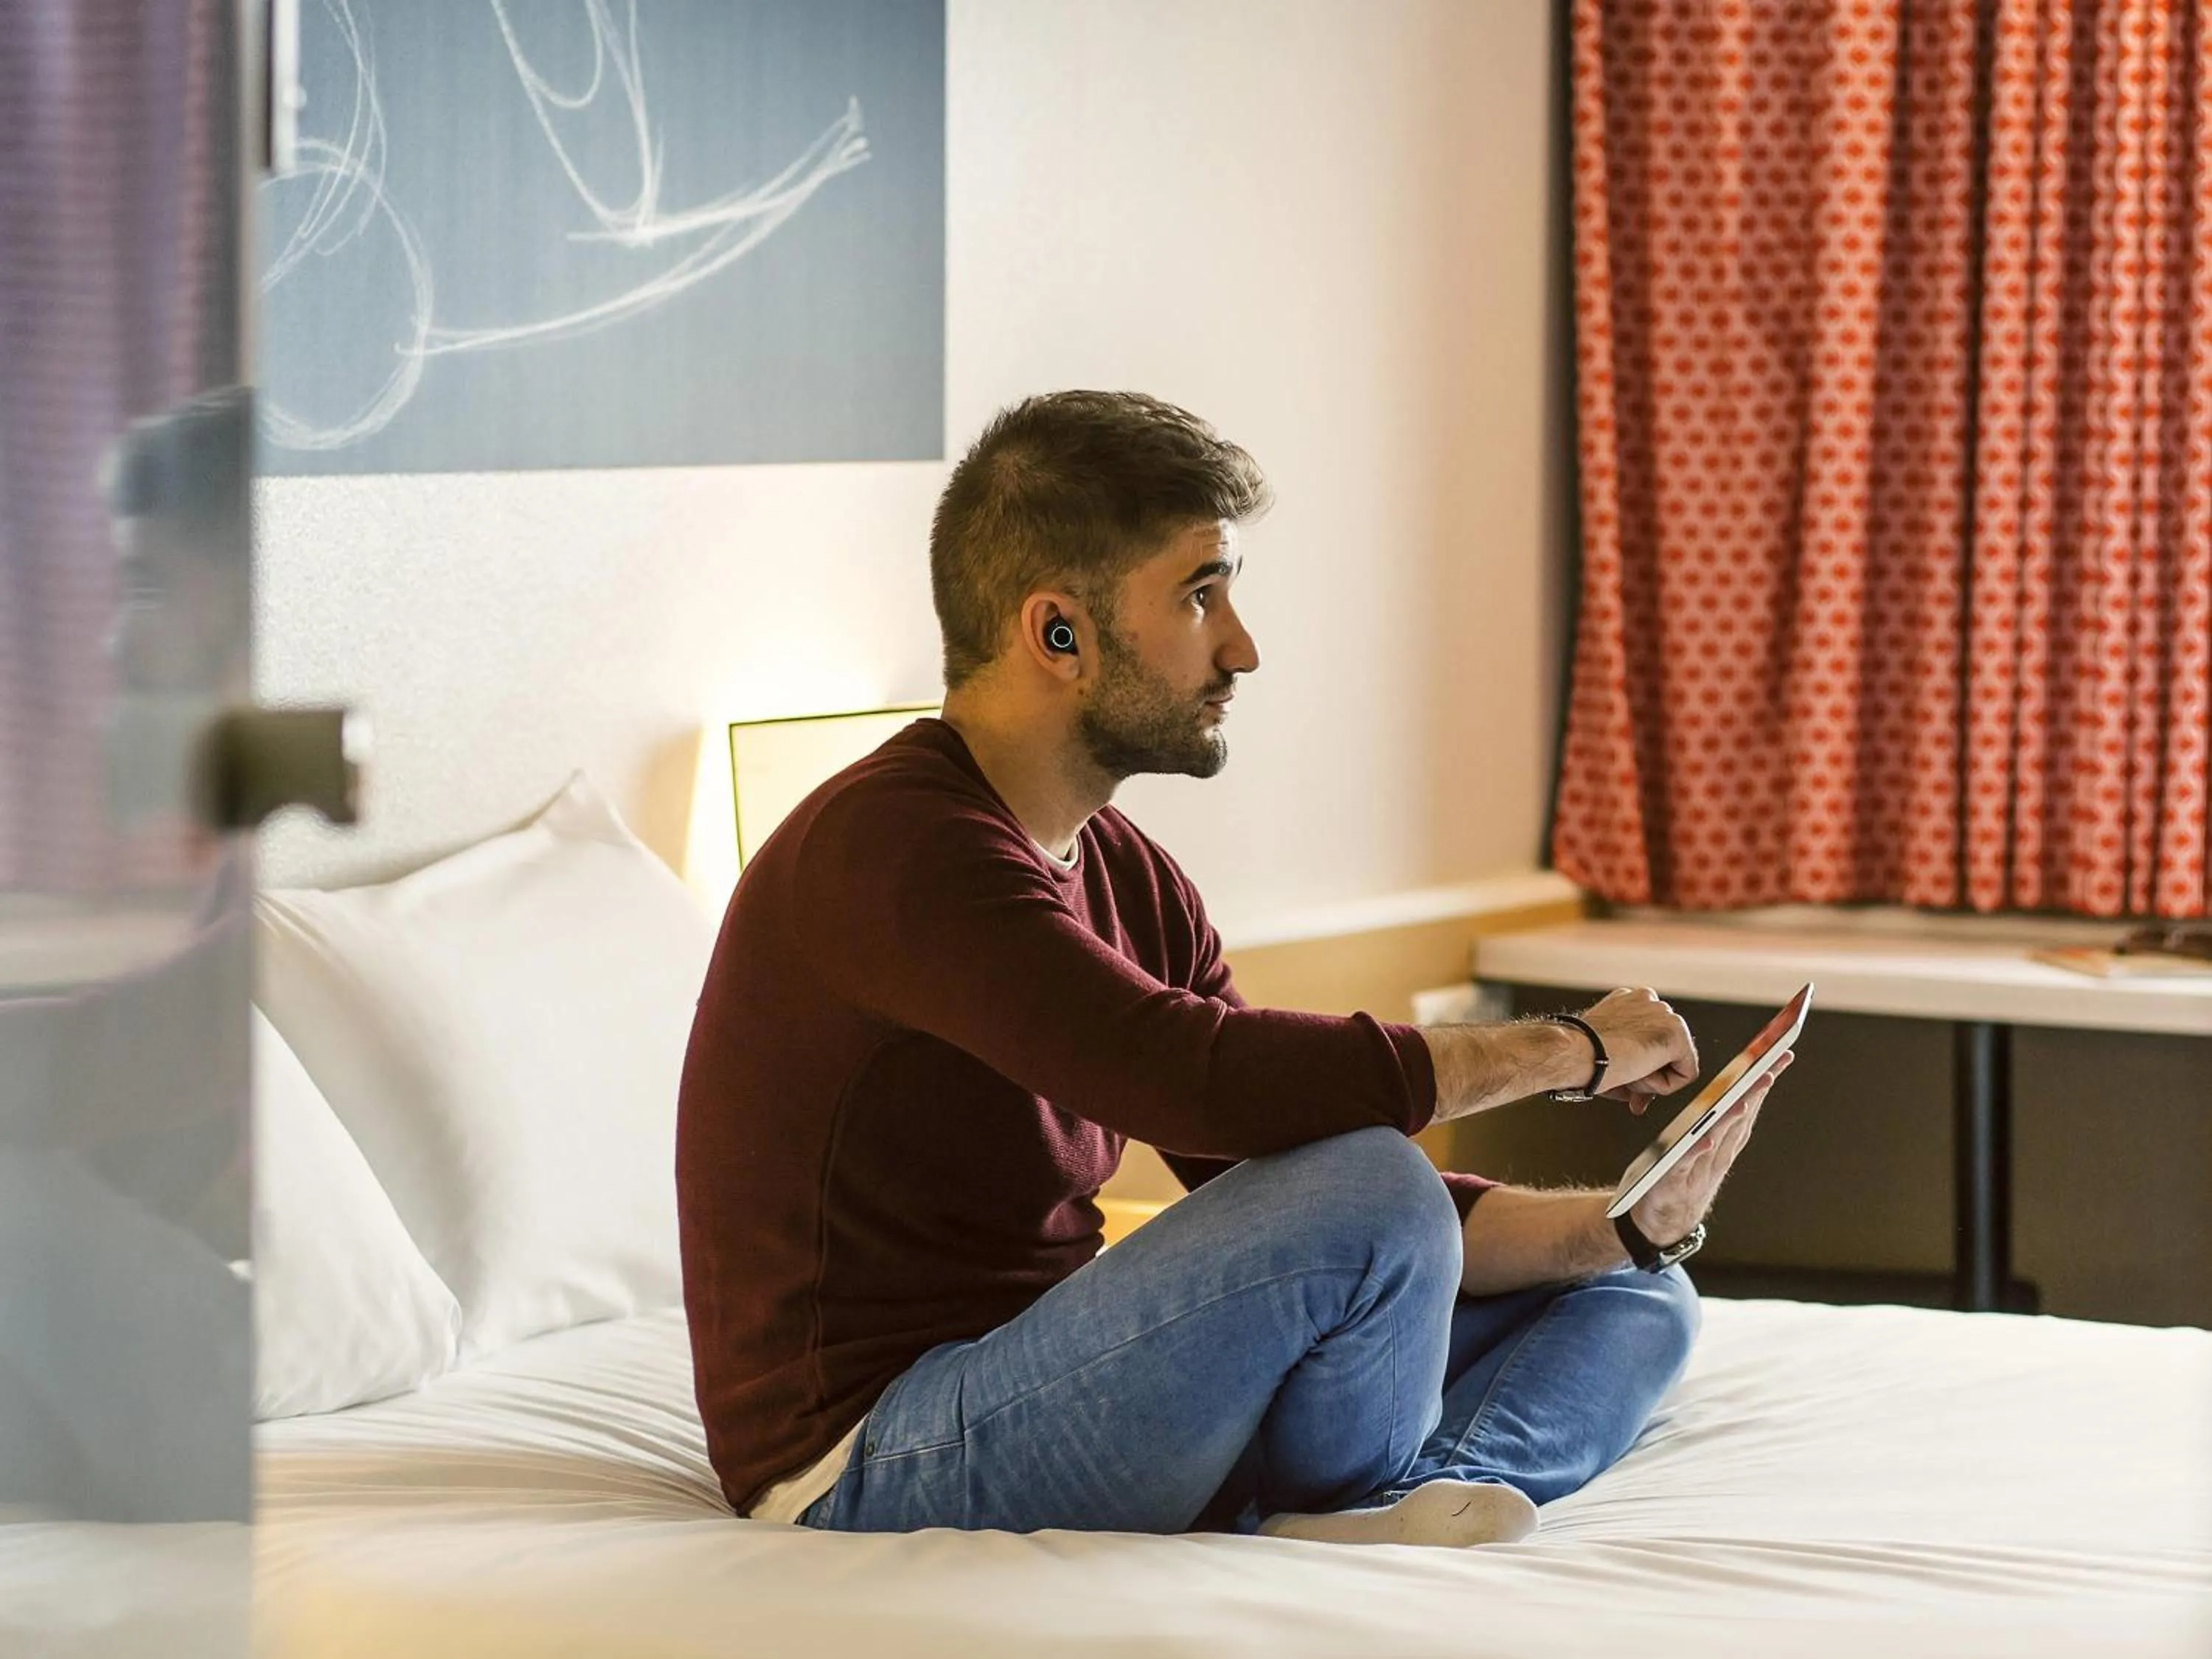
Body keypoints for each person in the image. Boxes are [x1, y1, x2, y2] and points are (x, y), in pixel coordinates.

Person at [676, 390, 1790, 1548]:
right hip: (871, 1458)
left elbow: (1257, 1149)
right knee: (1380, 1186)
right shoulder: (894, 848)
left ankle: (1407, 1501)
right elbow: (1204, 1082)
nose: (1241, 644)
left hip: (1065, 1376)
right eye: (1200, 593)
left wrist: (1616, 1225)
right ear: (1057, 632)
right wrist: (1575, 1048)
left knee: (1634, 1287)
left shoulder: (1124, 871)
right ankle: (1367, 1502)